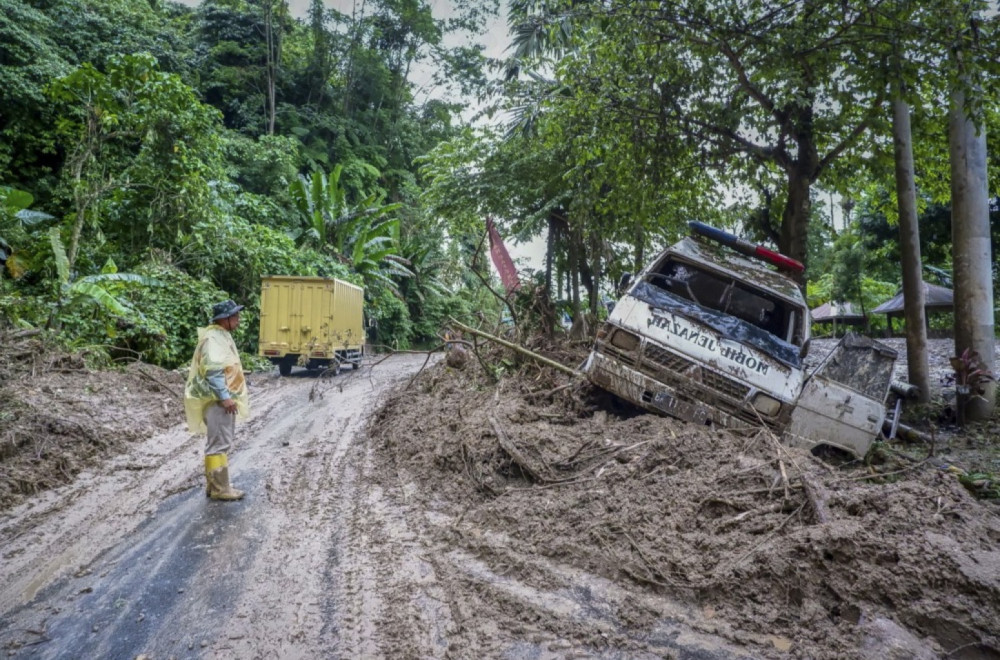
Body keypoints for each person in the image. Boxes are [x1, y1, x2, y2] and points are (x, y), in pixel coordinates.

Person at [184, 299, 250, 501]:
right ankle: (221, 488)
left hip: (217, 400)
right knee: (219, 443)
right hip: (218, 401)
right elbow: (213, 371)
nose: (238, 320)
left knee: (217, 442)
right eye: (235, 316)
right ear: (225, 319)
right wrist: (225, 397)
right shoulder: (214, 339)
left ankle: (214, 486)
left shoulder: (218, 336)